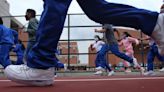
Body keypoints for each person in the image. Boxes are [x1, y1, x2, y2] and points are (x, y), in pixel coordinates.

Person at [4, 0, 164, 86]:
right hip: (109, 44)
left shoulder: (108, 28)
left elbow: (115, 32)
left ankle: (41, 64)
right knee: (97, 10)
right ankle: (155, 22)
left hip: (111, 44)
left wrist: (131, 40)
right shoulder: (105, 27)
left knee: (56, 2)